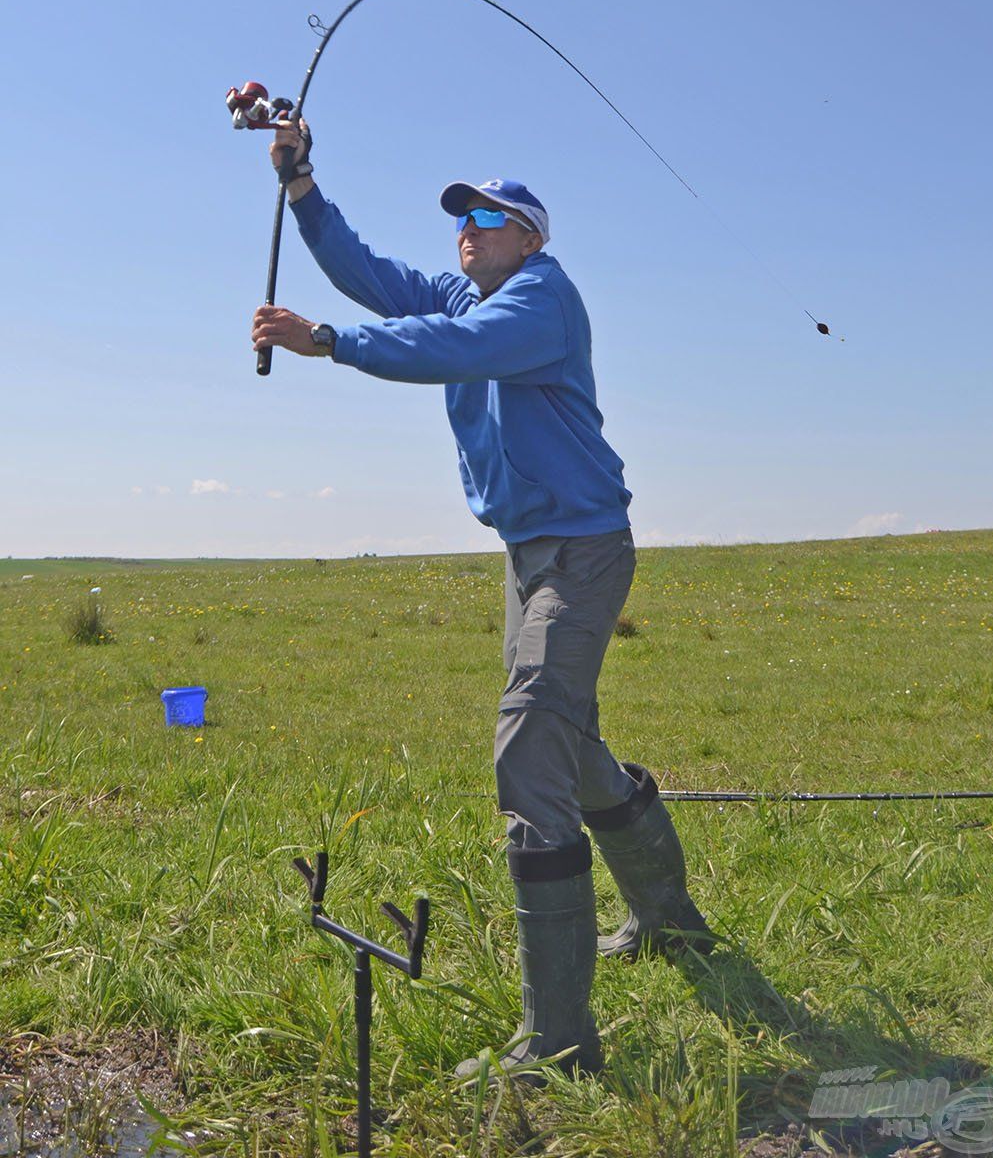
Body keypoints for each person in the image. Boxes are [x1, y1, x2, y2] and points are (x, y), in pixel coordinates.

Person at [252, 120, 715, 1081]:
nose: (467, 228)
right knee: (567, 739)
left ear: (529, 237)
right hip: (527, 553)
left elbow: (449, 347)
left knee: (527, 741)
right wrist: (301, 183)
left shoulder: (540, 300)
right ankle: (671, 921)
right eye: (461, 216)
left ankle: (558, 1041)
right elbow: (364, 267)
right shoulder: (470, 290)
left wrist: (330, 343)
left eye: (489, 216)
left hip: (583, 551)